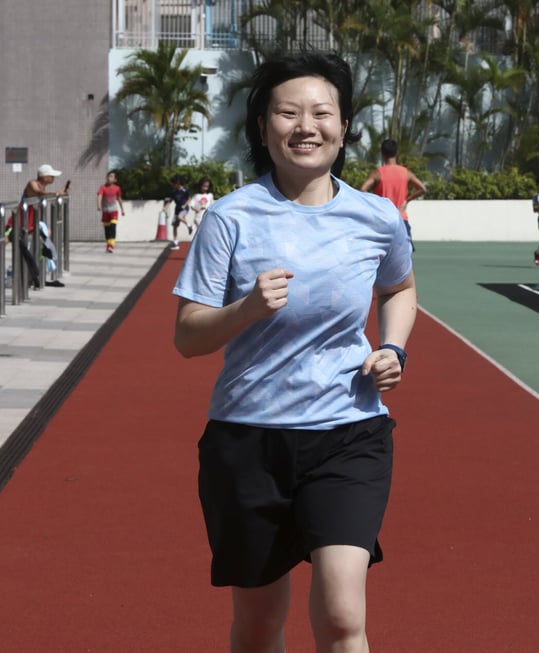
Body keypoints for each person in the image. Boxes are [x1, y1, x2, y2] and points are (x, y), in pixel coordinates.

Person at [172, 52, 416, 653]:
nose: (305, 126)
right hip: (249, 438)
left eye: (321, 113)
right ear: (263, 127)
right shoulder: (229, 218)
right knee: (259, 623)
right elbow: (188, 337)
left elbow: (400, 289)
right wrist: (245, 310)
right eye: (287, 113)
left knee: (340, 615)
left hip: (349, 432)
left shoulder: (376, 217)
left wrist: (393, 348)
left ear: (343, 125)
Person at [359, 138, 427, 248]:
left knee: (380, 257)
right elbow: (422, 188)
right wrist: (407, 200)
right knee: (406, 260)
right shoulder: (406, 172)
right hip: (401, 219)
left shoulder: (377, 173)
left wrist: (375, 203)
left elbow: (362, 190)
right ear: (397, 152)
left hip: (382, 220)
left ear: (382, 153)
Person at [13, 163, 67, 287]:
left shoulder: (42, 188)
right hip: (20, 222)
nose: (54, 178)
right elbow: (37, 193)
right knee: (1, 243)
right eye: (52, 176)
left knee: (44, 238)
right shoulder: (32, 183)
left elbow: (43, 194)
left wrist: (59, 193)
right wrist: (55, 193)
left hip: (31, 222)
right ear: (45, 177)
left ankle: (33, 273)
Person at [97, 170, 125, 253]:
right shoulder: (103, 187)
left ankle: (111, 245)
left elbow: (119, 199)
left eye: (111, 176)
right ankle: (108, 244)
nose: (109, 178)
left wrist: (122, 209)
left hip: (114, 211)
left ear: (115, 180)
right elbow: (99, 196)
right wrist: (98, 205)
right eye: (108, 176)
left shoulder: (117, 188)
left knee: (113, 227)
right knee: (107, 230)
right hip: (105, 212)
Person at [168, 174, 190, 250]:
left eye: (176, 183)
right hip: (177, 210)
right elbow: (170, 200)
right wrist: (165, 207)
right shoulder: (174, 192)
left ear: (180, 183)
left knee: (180, 217)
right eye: (174, 183)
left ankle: (189, 225)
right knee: (174, 226)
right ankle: (175, 242)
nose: (175, 185)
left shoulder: (185, 191)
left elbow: (189, 199)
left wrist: (184, 205)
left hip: (184, 209)